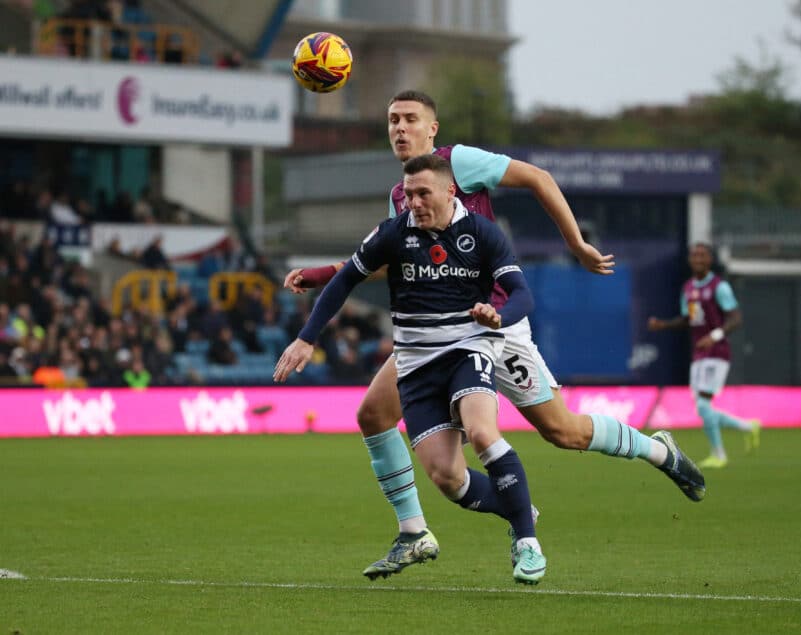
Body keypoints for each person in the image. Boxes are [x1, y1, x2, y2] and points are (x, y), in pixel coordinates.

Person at [283, 90, 705, 579]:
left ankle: (658, 450)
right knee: (374, 413)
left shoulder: (459, 162)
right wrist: (332, 271)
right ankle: (415, 532)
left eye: (410, 119)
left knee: (562, 431)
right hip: (435, 332)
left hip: (495, 326)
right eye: (392, 120)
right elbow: (401, 261)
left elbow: (537, 178)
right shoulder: (404, 194)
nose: (399, 129)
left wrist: (577, 244)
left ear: (432, 128)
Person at [275, 155, 547, 584]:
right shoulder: (392, 233)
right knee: (448, 479)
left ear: (449, 191)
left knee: (480, 431)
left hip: (467, 349)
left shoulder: (482, 233)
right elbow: (345, 279)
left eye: (423, 193)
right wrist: (307, 336)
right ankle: (515, 505)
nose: (414, 202)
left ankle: (527, 542)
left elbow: (522, 295)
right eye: (409, 194)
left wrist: (499, 316)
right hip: (416, 364)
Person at [648, 242, 761, 468]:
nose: (698, 259)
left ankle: (719, 455)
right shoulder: (689, 288)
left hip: (717, 352)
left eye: (702, 255)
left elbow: (735, 318)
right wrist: (664, 325)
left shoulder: (719, 287)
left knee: (702, 406)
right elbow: (690, 318)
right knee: (703, 407)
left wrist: (715, 336)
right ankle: (748, 427)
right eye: (694, 255)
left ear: (710, 260)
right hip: (700, 353)